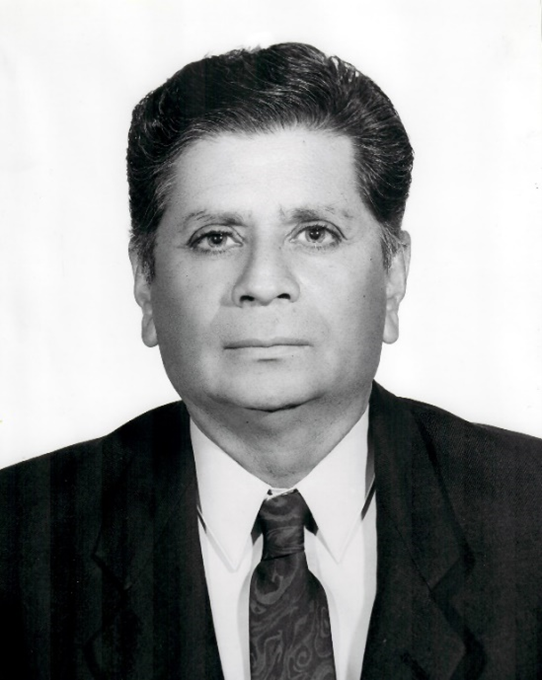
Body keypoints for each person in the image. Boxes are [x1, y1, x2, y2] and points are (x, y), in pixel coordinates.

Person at [0, 42, 541, 680]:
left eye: (315, 234)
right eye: (216, 238)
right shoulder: (17, 544)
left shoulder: (529, 515)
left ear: (393, 274)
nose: (262, 282)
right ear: (146, 283)